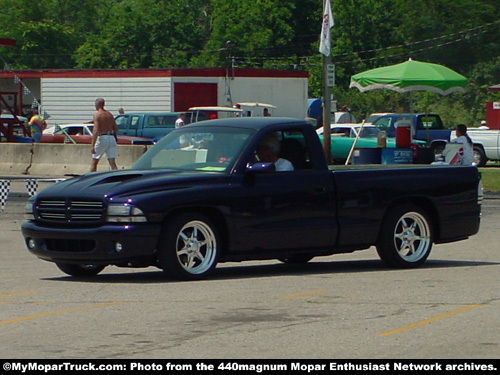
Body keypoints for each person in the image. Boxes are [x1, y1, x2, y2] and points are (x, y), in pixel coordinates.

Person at [90, 98, 119, 172]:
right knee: (112, 162)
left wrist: (93, 145)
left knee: (94, 161)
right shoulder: (109, 115)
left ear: (97, 105)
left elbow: (95, 130)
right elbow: (116, 128)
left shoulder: (97, 115)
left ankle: (91, 179)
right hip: (111, 138)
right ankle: (116, 178)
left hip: (102, 137)